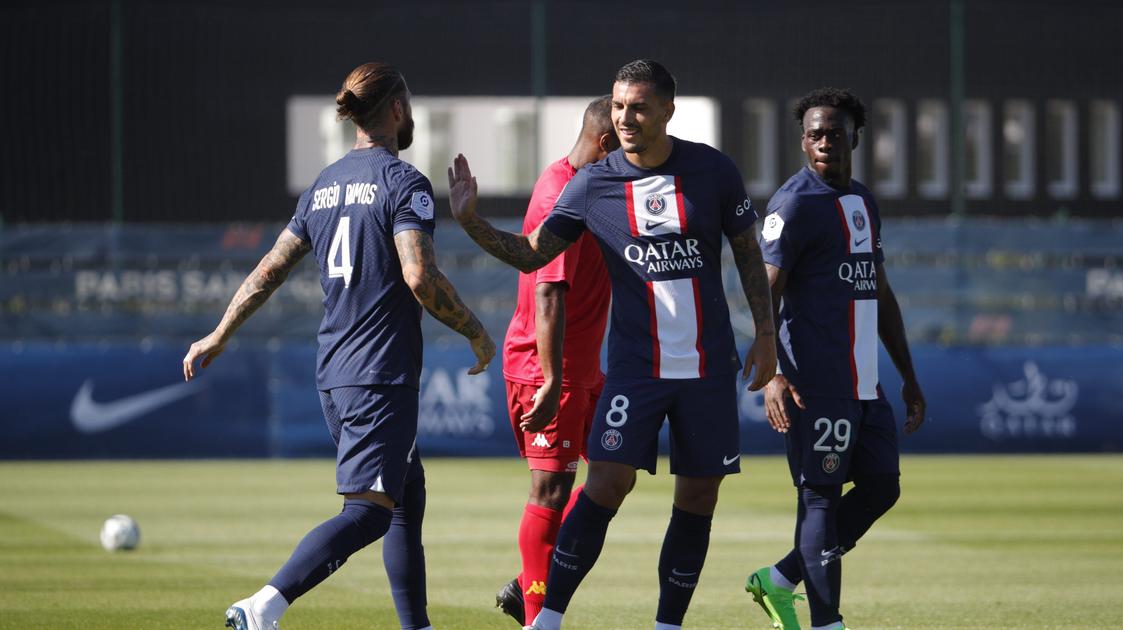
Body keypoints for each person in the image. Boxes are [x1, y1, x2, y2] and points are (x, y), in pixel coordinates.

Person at [449, 59, 777, 630]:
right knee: (604, 485)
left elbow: (749, 253)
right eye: (619, 105)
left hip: (706, 369)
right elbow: (533, 253)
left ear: (668, 112)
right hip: (634, 369)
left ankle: (667, 625)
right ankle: (545, 620)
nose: (626, 117)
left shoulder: (713, 171)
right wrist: (471, 221)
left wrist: (767, 337)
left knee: (698, 499)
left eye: (639, 106)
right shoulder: (592, 183)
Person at [182, 61, 495, 630]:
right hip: (378, 372)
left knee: (406, 493)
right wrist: (477, 332)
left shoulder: (321, 187)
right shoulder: (405, 183)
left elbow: (270, 269)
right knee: (370, 513)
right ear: (397, 110)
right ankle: (263, 606)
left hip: (336, 370)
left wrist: (220, 331)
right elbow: (420, 278)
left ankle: (416, 625)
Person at [744, 87, 927, 630]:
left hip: (865, 383)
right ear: (804, 142)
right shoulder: (795, 203)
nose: (826, 141)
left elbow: (880, 290)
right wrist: (774, 372)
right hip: (814, 382)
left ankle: (778, 579)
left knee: (881, 487)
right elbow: (763, 294)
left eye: (836, 132)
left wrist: (909, 377)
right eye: (816, 133)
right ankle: (827, 623)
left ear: (855, 137)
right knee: (820, 498)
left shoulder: (864, 201)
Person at [493, 96, 620, 627]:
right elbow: (549, 294)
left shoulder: (600, 188)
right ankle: (537, 616)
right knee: (550, 489)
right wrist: (552, 379)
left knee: (615, 474)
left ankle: (527, 583)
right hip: (549, 370)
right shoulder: (561, 194)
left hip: (586, 368)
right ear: (608, 141)